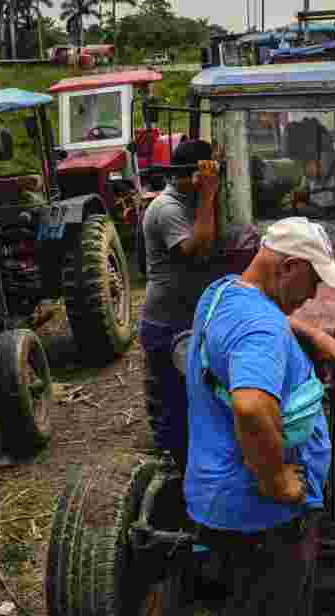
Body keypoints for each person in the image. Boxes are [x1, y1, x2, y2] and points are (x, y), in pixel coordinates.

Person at [184, 217, 335, 616]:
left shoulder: (221, 293)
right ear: (290, 267)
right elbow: (251, 406)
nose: (313, 296)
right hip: (263, 521)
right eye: (313, 281)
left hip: (218, 501)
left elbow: (256, 316)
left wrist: (313, 333)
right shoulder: (261, 329)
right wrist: (277, 479)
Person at [139, 139, 220, 471]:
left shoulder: (187, 200)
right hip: (168, 323)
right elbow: (197, 250)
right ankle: (177, 470)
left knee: (197, 396)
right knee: (175, 402)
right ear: (193, 175)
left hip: (188, 317)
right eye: (209, 170)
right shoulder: (168, 208)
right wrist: (208, 195)